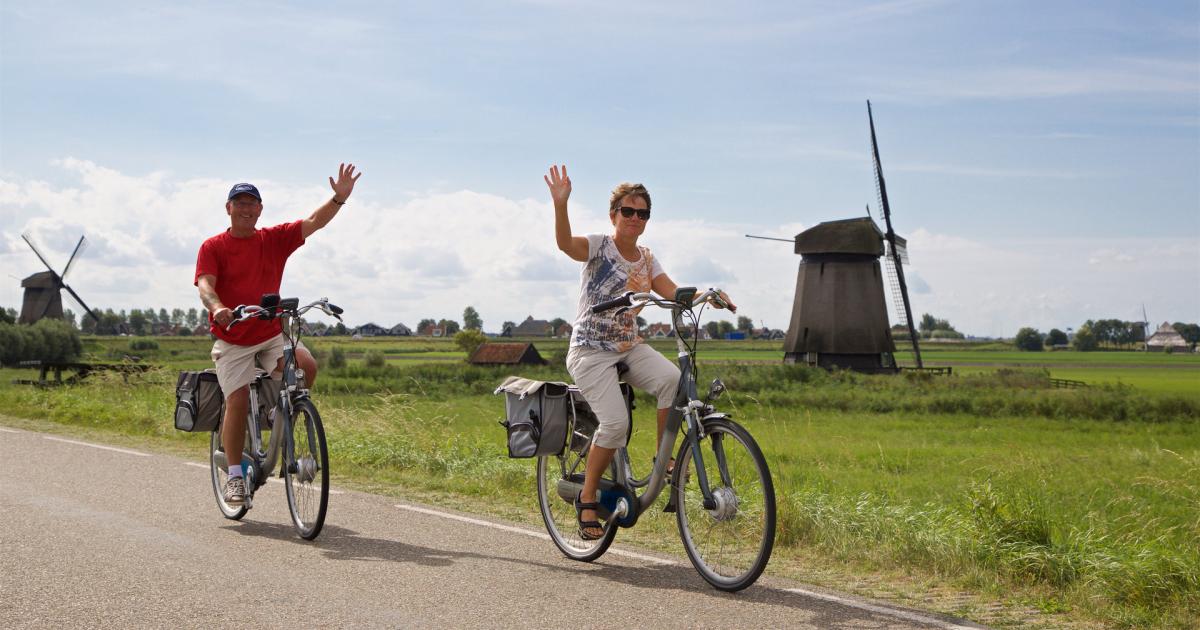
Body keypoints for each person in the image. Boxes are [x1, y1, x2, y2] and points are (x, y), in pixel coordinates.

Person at [544, 164, 734, 539]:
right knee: (615, 424)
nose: (635, 218)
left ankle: (663, 465)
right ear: (613, 214)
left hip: (628, 347)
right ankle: (586, 499)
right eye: (628, 211)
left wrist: (707, 295)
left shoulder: (647, 259)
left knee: (675, 381)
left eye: (642, 213)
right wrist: (561, 204)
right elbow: (567, 245)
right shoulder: (600, 245)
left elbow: (673, 291)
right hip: (590, 350)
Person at [194, 163, 362, 505]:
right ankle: (237, 477)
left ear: (260, 210)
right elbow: (205, 284)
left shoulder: (273, 239)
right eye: (238, 203)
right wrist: (217, 309)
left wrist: (338, 198)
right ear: (228, 209)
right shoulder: (213, 247)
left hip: (270, 333)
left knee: (306, 365)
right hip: (233, 338)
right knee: (237, 398)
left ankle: (276, 415)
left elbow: (313, 222)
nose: (245, 208)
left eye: (251, 203)